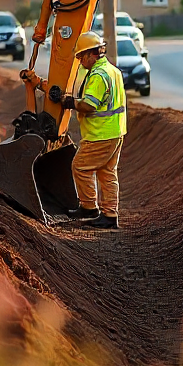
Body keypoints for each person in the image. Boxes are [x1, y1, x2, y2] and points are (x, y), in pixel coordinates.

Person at [61, 31, 127, 229]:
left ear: (92, 54)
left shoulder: (98, 76)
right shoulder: (112, 70)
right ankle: (110, 215)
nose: (80, 61)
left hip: (100, 134)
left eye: (81, 56)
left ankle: (89, 207)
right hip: (116, 132)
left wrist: (69, 102)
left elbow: (90, 105)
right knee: (107, 173)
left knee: (80, 167)